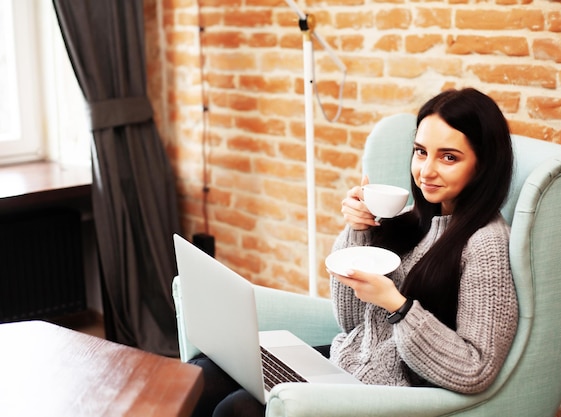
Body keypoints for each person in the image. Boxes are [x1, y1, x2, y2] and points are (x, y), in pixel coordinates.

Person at [188, 87, 519, 416]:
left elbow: (476, 369)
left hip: (390, 395)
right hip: (349, 364)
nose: (426, 171)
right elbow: (349, 322)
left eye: (449, 157)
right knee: (203, 373)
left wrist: (398, 306)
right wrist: (358, 231)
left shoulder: (484, 242)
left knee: (238, 409)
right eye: (420, 152)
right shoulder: (412, 221)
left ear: (484, 164)